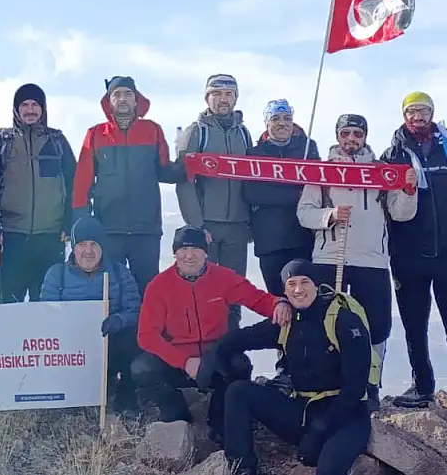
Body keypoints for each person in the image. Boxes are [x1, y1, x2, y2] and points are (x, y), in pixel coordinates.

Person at [297, 113, 416, 406]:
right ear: (338, 136)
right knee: (323, 321)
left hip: (371, 260)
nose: (352, 139)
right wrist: (329, 216)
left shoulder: (381, 172)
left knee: (376, 326)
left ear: (365, 137)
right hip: (329, 256)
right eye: (346, 133)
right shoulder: (321, 172)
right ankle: (325, 382)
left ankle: (370, 383)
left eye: (357, 134)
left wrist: (408, 190)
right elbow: (304, 213)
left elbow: (401, 213)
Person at [216, 259, 373, 475]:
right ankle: (242, 468)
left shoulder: (343, 321)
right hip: (303, 412)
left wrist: (318, 432)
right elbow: (233, 341)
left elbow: (354, 389)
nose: (298, 290)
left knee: (328, 470)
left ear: (316, 285)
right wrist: (229, 371)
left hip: (346, 417)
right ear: (284, 290)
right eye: (291, 284)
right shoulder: (287, 321)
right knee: (238, 392)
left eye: (305, 282)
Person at [131, 226, 289, 428]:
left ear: (206, 252)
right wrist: (184, 361)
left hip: (214, 356)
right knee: (141, 369)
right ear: (175, 253)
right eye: (183, 250)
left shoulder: (223, 277)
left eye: (196, 249)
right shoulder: (159, 285)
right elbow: (147, 336)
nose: (189, 256)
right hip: (176, 359)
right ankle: (177, 415)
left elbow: (256, 299)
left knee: (240, 365)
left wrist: (278, 303)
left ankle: (219, 420)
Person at [381, 92, 447, 408]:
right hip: (409, 255)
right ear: (404, 115)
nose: (417, 116)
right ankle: (421, 385)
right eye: (411, 111)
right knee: (414, 326)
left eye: (423, 110)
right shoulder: (391, 154)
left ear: (433, 113)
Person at [73, 76, 176, 295]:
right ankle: (111, 331)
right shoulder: (95, 134)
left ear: (137, 100)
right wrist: (81, 220)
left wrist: (189, 165)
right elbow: (82, 181)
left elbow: (165, 169)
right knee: (109, 291)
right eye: (116, 94)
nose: (122, 99)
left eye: (128, 94)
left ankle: (146, 330)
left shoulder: (153, 130)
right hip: (109, 228)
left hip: (146, 229)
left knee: (148, 291)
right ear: (108, 101)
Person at [0, 83, 76, 303]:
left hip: (50, 238)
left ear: (43, 109)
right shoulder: (1, 142)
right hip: (13, 236)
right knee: (9, 307)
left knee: (48, 306)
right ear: (16, 108)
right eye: (25, 104)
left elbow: (74, 184)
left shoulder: (57, 141)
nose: (30, 110)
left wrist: (69, 223)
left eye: (35, 105)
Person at [40, 215, 142, 412]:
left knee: (134, 338)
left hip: (108, 344)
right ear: (73, 246)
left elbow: (135, 310)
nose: (88, 251)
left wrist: (118, 320)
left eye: (94, 244)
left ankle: (125, 398)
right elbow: (46, 314)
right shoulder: (57, 274)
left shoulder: (120, 273)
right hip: (71, 349)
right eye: (82, 244)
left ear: (102, 247)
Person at [174, 74, 253, 325]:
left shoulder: (245, 133)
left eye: (229, 94)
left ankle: (231, 353)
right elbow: (184, 181)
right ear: (207, 98)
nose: (223, 99)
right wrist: (197, 226)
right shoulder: (197, 132)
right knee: (205, 292)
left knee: (234, 291)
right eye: (216, 94)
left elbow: (252, 178)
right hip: (207, 224)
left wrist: (250, 221)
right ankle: (206, 355)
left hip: (238, 226)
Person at [242, 99, 319, 296]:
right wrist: (296, 194)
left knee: (306, 300)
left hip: (303, 238)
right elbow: (252, 193)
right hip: (270, 242)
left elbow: (316, 185)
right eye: (275, 118)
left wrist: (275, 190)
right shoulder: (254, 153)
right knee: (279, 303)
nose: (282, 123)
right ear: (267, 123)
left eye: (287, 118)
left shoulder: (307, 149)